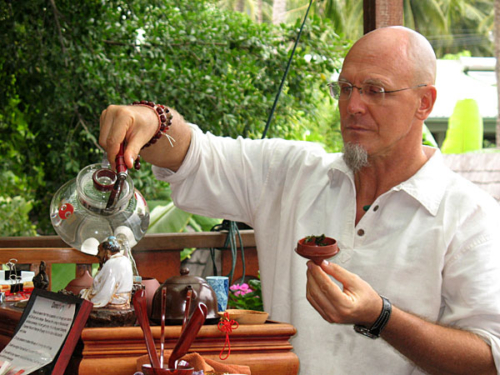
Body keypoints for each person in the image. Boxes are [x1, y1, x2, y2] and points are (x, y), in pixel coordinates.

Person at [99, 26, 500, 374]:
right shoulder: (291, 173)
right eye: (345, 88)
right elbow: (194, 154)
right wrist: (153, 120)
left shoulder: (470, 217)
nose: (353, 106)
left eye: (375, 91)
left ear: (424, 103)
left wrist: (381, 317)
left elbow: (489, 357)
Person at [80, 236, 133, 308]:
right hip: (124, 298)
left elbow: (107, 289)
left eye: (99, 251)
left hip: (114, 299)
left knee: (83, 295)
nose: (97, 255)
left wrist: (94, 299)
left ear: (107, 252)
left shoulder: (111, 264)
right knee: (84, 292)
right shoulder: (125, 260)